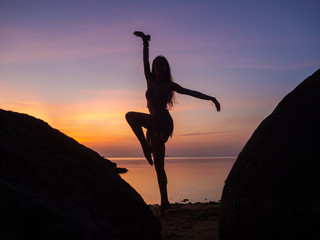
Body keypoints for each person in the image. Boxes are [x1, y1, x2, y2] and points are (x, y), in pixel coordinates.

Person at [125, 31, 221, 214]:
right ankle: (165, 202)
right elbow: (144, 62)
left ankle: (145, 148)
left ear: (166, 68)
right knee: (159, 167)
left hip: (163, 121)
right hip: (154, 124)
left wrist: (212, 98)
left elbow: (191, 92)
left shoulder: (170, 85)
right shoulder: (150, 80)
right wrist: (145, 43)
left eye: (162, 64)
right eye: (157, 64)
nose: (159, 66)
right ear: (154, 68)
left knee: (130, 116)